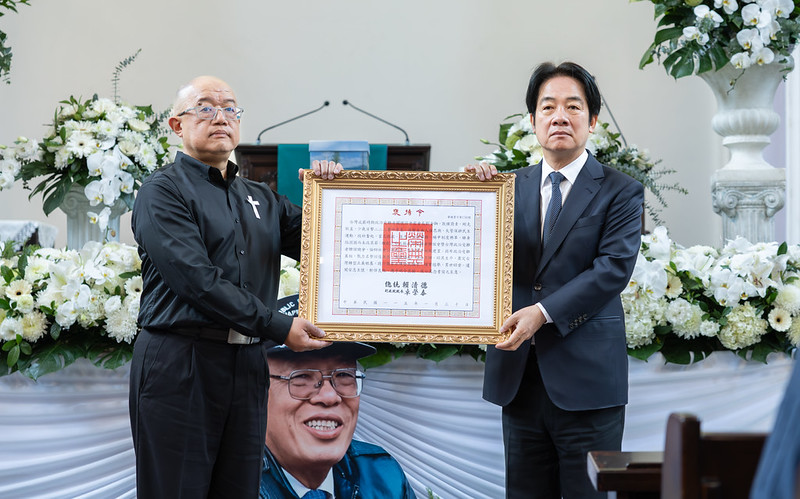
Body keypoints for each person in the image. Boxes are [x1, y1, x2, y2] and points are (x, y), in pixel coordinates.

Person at [129, 75, 341, 498]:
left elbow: (331, 246)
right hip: (182, 362)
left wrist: (333, 194)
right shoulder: (162, 192)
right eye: (206, 107)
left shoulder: (261, 198)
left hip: (248, 365)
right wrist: (280, 326)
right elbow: (198, 282)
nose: (221, 117)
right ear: (177, 125)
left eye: (230, 108)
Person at [467, 62, 644, 498]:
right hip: (519, 379)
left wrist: (542, 314)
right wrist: (470, 199)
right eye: (548, 107)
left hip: (588, 383)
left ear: (593, 120)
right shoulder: (505, 188)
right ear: (533, 121)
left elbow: (612, 269)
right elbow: (473, 258)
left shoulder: (621, 190)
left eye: (573, 107)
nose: (559, 117)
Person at [260, 341, 415, 499]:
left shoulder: (382, 475)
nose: (330, 396)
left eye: (343, 375)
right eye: (302, 376)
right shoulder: (243, 484)